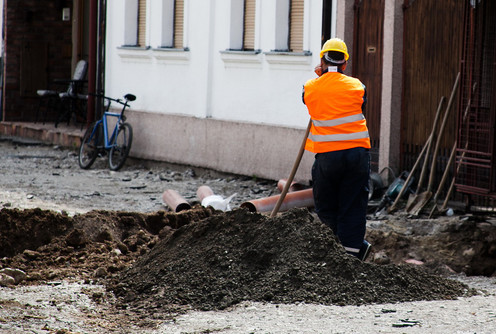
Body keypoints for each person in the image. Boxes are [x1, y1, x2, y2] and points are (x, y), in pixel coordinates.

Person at [302, 38, 371, 261]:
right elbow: (360, 104)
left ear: (322, 61)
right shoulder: (358, 86)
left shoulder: (310, 88)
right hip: (356, 155)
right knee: (352, 206)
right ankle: (351, 258)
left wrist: (320, 76)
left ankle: (330, 256)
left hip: (327, 158)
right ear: (345, 63)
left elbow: (307, 100)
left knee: (327, 206)